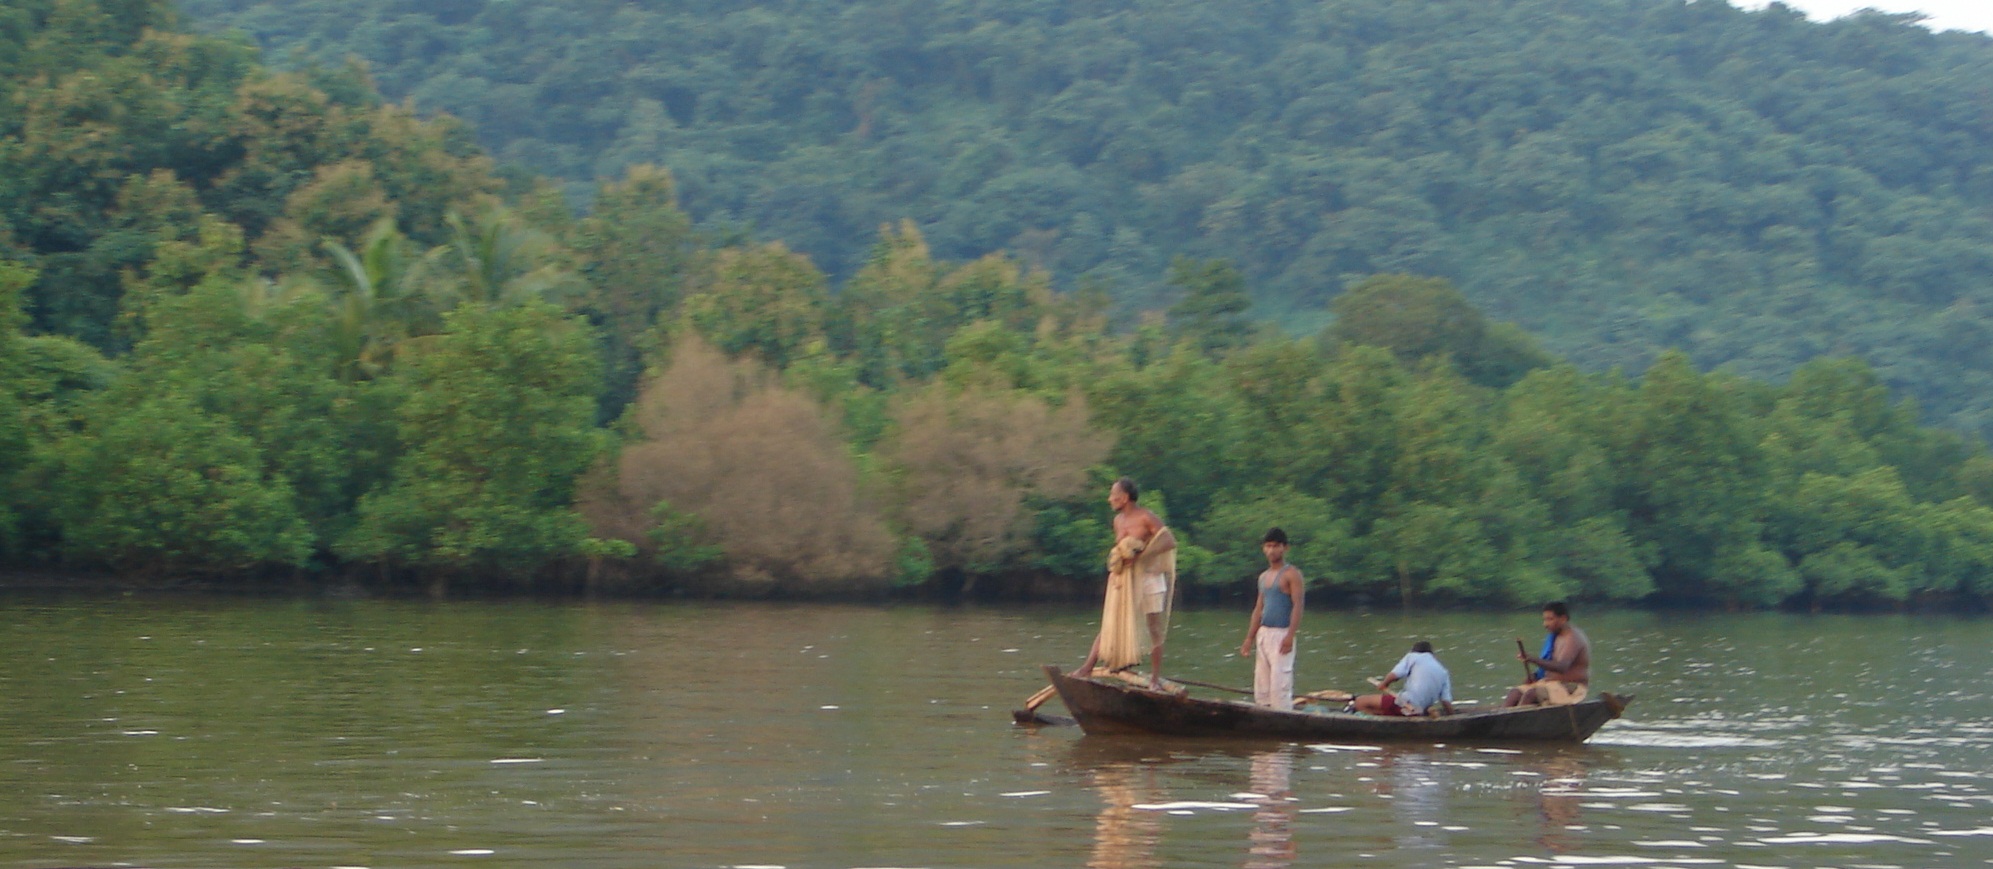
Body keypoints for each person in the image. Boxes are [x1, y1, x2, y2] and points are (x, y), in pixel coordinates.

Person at [1075, 478, 1177, 688]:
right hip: (1125, 580)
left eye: (1113, 494)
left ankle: (1155, 680)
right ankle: (1087, 667)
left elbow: (1169, 541)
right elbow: (1121, 549)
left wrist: (1142, 556)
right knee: (1111, 623)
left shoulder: (1146, 517)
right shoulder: (1118, 521)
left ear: (1125, 497)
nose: (1110, 499)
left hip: (1149, 579)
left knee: (1153, 627)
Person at [1239, 527, 1304, 709]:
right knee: (1262, 686)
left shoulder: (1292, 574)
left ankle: (1283, 715)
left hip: (1281, 633)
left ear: (1285, 548)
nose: (1271, 550)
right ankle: (1264, 714)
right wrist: (1249, 638)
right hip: (1264, 633)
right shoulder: (1263, 577)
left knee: (1280, 685)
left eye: (1276, 546)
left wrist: (1290, 636)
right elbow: (1259, 608)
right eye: (1268, 546)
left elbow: (1298, 605)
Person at [1503, 601, 1591, 707]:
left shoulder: (1573, 638)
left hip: (1572, 688)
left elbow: (1562, 667)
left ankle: (1515, 721)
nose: (1545, 624)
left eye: (1550, 619)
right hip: (1549, 684)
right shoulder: (1555, 637)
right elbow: (1550, 663)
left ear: (1563, 619)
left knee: (1531, 694)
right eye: (1544, 620)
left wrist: (1531, 659)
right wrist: (1535, 676)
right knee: (1515, 693)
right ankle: (1500, 721)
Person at [1352, 641, 1454, 717]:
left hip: (1406, 704)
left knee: (1360, 702)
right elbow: (1446, 702)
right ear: (1432, 654)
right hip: (1420, 710)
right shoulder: (1443, 671)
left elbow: (1395, 675)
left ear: (1414, 651)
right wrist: (1451, 717)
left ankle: (1380, 725)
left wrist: (1384, 684)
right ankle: (1390, 717)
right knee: (1382, 708)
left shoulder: (1413, 656)